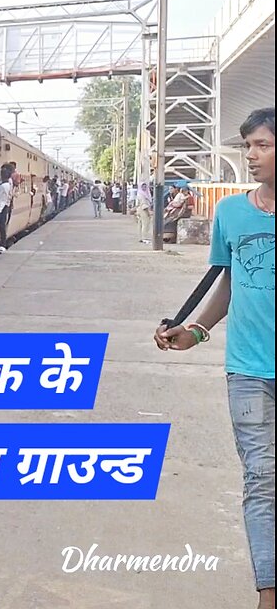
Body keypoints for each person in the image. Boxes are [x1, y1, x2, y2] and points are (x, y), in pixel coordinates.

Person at [155, 107, 274, 609]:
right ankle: (268, 594)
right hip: (248, 370)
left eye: (263, 145)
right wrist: (197, 330)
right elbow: (228, 281)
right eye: (248, 145)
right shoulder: (231, 212)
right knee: (262, 481)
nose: (251, 156)